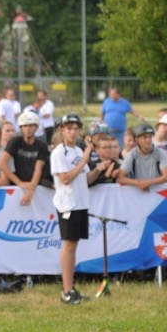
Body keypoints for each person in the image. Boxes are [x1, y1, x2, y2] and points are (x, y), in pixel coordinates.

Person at [50, 114, 110, 304]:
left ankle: (71, 287)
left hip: (81, 202)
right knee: (68, 245)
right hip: (68, 203)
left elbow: (85, 180)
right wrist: (85, 160)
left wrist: (98, 169)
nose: (73, 131)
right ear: (62, 130)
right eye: (69, 128)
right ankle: (66, 291)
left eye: (76, 128)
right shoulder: (59, 153)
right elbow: (65, 178)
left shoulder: (77, 151)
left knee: (73, 246)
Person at [0, 111, 49, 206]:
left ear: (36, 127)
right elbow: (2, 164)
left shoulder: (42, 145)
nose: (28, 129)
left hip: (34, 187)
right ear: (21, 128)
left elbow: (38, 169)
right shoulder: (15, 141)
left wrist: (30, 191)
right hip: (15, 187)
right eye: (25, 126)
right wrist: (19, 183)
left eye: (31, 126)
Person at [116, 123, 167, 192]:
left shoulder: (160, 153)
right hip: (137, 192)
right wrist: (138, 183)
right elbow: (120, 178)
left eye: (150, 137)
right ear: (137, 139)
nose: (148, 140)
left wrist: (148, 182)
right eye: (145, 137)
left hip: (158, 192)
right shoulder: (132, 155)